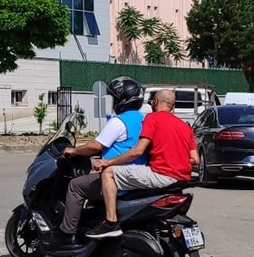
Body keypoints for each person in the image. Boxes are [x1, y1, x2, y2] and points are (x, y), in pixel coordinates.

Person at [47, 77, 146, 247]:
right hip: (138, 175)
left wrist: (74, 150)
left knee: (76, 186)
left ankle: (66, 234)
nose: (113, 102)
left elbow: (95, 145)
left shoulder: (118, 122)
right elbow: (126, 144)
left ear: (122, 100)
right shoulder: (143, 119)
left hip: (118, 179)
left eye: (114, 98)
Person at [86, 89, 198, 239]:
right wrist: (174, 159)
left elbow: (137, 151)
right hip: (180, 179)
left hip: (161, 175)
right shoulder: (184, 127)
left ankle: (111, 222)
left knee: (108, 172)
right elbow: (195, 159)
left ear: (156, 102)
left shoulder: (153, 118)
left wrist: (107, 162)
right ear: (173, 106)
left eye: (152, 101)